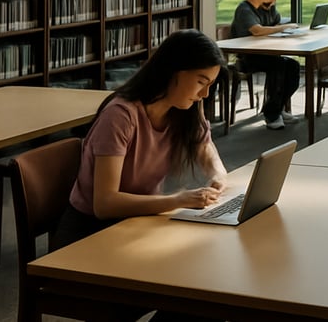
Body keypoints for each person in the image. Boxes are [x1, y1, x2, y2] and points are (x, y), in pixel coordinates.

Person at [53, 29, 229, 250]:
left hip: (138, 221)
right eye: (201, 81)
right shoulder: (120, 115)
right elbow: (105, 203)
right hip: (91, 232)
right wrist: (178, 200)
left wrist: (218, 175)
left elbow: (205, 148)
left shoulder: (184, 108)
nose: (204, 94)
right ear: (173, 70)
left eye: (210, 84)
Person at [230, 0, 301, 130]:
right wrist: (283, 28)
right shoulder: (244, 10)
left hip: (267, 53)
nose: (273, 0)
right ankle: (272, 115)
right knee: (278, 65)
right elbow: (257, 30)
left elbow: (275, 23)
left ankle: (277, 108)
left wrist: (285, 29)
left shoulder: (268, 8)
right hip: (248, 57)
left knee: (293, 66)